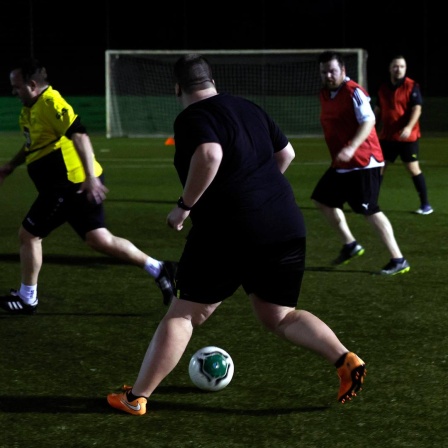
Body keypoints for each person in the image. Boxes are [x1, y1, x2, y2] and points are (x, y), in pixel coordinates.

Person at [106, 53, 366, 416]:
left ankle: (136, 398)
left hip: (228, 230)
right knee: (278, 315)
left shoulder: (192, 117)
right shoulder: (248, 107)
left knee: (184, 315)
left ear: (178, 87)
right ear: (211, 80)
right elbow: (286, 153)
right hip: (285, 223)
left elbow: (210, 154)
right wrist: (259, 191)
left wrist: (185, 205)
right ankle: (345, 359)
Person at [0, 57, 177, 315]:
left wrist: (89, 179)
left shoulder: (51, 102)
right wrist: (10, 166)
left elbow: (80, 134)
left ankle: (28, 299)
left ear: (33, 84)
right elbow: (33, 147)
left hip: (69, 184)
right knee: (99, 239)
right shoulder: (31, 107)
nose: (13, 92)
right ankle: (159, 269)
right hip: (69, 184)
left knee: (29, 234)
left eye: (16, 87)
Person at [311, 50, 410, 276]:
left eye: (332, 71)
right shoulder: (325, 94)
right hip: (343, 164)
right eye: (324, 72)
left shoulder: (354, 91)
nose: (328, 76)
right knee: (323, 199)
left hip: (365, 162)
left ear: (343, 70)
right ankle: (350, 244)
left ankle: (398, 258)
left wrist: (351, 147)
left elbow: (369, 121)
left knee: (369, 210)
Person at [373, 55, 433, 215]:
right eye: (395, 66)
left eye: (401, 66)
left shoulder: (412, 86)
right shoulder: (383, 88)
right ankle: (371, 202)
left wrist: (408, 127)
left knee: (413, 168)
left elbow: (417, 108)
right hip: (387, 137)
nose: (398, 69)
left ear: (405, 69)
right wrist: (372, 128)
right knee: (379, 168)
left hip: (408, 137)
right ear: (390, 69)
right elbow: (378, 110)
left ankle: (426, 205)